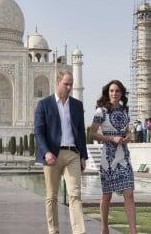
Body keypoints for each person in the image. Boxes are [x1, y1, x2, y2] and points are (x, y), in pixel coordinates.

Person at [34, 69, 88, 234]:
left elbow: (80, 132)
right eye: (66, 84)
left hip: (72, 153)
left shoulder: (77, 105)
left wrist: (83, 156)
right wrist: (46, 152)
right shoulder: (44, 104)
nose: (69, 87)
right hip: (53, 155)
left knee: (75, 194)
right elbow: (38, 131)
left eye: (71, 84)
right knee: (52, 196)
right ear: (57, 83)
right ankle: (53, 230)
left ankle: (79, 231)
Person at [89, 79, 137, 234]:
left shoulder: (124, 111)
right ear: (107, 93)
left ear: (121, 93)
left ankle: (133, 231)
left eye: (117, 91)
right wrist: (111, 139)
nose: (114, 93)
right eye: (111, 91)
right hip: (108, 159)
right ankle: (104, 228)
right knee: (107, 195)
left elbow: (127, 130)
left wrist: (129, 136)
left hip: (124, 157)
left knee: (129, 194)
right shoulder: (101, 112)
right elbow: (92, 133)